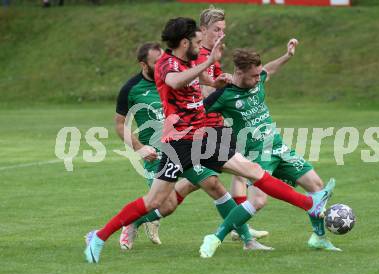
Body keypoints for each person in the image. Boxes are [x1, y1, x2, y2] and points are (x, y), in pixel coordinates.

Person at [84, 17, 333, 264]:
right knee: (156, 201)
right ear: (184, 42)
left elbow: (199, 83)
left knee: (251, 171)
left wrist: (216, 81)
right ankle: (100, 236)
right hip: (180, 143)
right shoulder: (166, 64)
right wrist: (208, 63)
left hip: (202, 137)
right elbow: (175, 81)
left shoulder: (188, 61)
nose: (199, 45)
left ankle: (308, 205)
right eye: (197, 41)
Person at [113, 43, 271, 251]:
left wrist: (217, 84)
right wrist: (140, 148)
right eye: (155, 62)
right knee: (166, 205)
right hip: (158, 154)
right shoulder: (131, 89)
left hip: (187, 146)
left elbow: (202, 93)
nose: (162, 64)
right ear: (143, 65)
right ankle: (133, 222)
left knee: (214, 185)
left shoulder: (176, 77)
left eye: (163, 59)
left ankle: (247, 240)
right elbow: (119, 124)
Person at [200, 44, 341, 258]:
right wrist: (211, 88)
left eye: (259, 75)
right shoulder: (224, 94)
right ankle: (215, 237)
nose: (259, 79)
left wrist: (287, 55)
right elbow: (197, 110)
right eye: (254, 75)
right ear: (239, 72)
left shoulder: (258, 79)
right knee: (257, 201)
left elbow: (270, 70)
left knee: (316, 185)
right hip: (257, 155)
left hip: (278, 148)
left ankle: (319, 238)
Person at [196, 6, 268, 240]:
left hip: (218, 125)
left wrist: (223, 80)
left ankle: (241, 226)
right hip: (204, 128)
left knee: (239, 173)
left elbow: (212, 87)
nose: (221, 34)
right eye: (216, 30)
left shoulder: (212, 55)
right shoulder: (199, 57)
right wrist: (221, 85)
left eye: (223, 30)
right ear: (203, 29)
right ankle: (141, 219)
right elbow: (203, 96)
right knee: (193, 184)